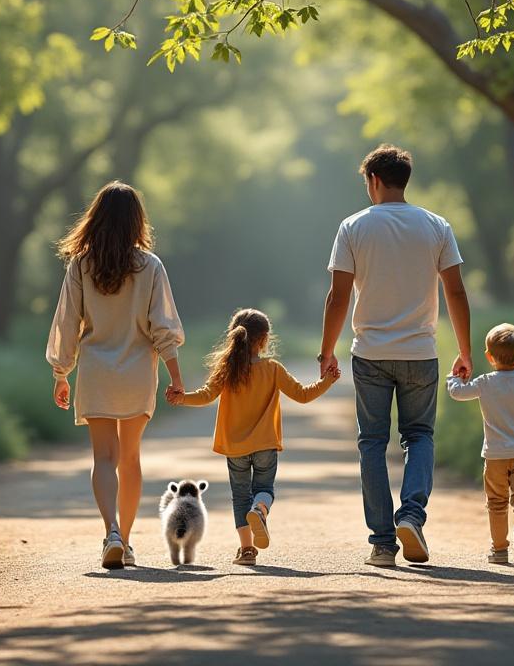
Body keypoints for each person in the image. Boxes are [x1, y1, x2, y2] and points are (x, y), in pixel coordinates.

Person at [319, 144, 473, 567]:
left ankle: (383, 545)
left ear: (373, 180)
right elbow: (456, 291)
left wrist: (326, 351)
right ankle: (411, 516)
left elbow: (338, 296)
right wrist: (465, 351)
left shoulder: (353, 226)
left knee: (372, 442)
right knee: (419, 436)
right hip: (421, 352)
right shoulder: (436, 226)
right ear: (404, 180)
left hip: (370, 353)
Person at [46, 181, 185, 570]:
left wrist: (61, 372)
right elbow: (163, 328)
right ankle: (125, 538)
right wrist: (176, 377)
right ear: (137, 221)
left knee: (104, 457)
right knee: (130, 457)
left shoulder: (81, 265)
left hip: (96, 373)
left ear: (96, 218)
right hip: (137, 372)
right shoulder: (151, 266)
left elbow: (67, 323)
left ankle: (110, 532)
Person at [168, 309, 339, 566]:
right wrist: (327, 381)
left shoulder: (227, 368)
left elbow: (206, 395)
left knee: (240, 497)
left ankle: (247, 550)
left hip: (235, 448)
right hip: (265, 445)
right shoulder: (272, 369)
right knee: (264, 490)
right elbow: (303, 395)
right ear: (264, 339)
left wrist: (182, 398)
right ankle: (260, 509)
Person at [446, 323, 514, 568]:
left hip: (495, 455)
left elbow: (458, 393)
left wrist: (454, 377)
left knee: (497, 503)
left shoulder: (485, 382)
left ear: (489, 356)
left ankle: (499, 550)